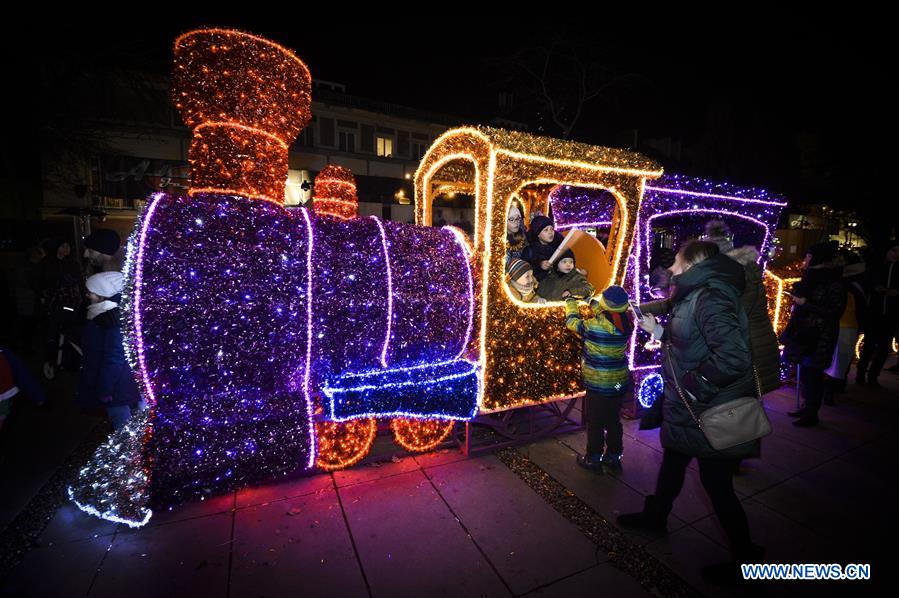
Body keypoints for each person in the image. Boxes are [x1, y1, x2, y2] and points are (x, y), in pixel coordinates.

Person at [618, 240, 763, 584]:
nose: (672, 266)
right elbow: (691, 336)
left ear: (693, 264)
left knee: (717, 485)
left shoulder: (712, 296)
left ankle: (747, 561)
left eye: (678, 259)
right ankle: (656, 517)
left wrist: (694, 386)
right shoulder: (694, 291)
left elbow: (733, 357)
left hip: (711, 408)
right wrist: (659, 331)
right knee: (672, 463)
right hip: (689, 406)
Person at [702, 221, 781, 395]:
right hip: (749, 345)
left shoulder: (740, 274)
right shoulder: (738, 270)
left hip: (751, 347)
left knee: (745, 406)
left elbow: (737, 312)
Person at [565, 285, 633, 472]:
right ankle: (614, 457)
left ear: (604, 304)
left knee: (595, 422)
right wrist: (590, 301)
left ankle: (593, 458)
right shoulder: (627, 321)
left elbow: (572, 323)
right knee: (613, 420)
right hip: (618, 383)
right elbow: (606, 313)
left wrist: (570, 302)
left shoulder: (592, 326)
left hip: (598, 384)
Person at [781, 241, 845, 426]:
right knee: (804, 372)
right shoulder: (811, 276)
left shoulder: (833, 281)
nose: (805, 259)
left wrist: (804, 304)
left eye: (809, 256)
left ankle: (812, 412)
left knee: (813, 374)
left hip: (819, 335)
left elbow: (835, 310)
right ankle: (806, 406)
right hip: (804, 331)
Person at [77, 272, 141, 430]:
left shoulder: (111, 321)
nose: (87, 295)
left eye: (90, 292)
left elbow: (114, 359)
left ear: (102, 294)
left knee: (124, 429)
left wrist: (105, 389)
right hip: (114, 385)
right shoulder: (100, 315)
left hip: (116, 389)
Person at [823, 251, 866, 400]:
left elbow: (860, 304)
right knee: (838, 359)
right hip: (842, 323)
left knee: (838, 358)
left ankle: (832, 389)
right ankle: (833, 388)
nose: (838, 262)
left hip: (846, 323)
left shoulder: (851, 282)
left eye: (842, 260)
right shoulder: (845, 280)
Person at [856, 242, 899, 387]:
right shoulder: (877, 267)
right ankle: (861, 374)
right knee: (869, 345)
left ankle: (873, 376)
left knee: (883, 347)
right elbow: (867, 284)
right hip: (874, 313)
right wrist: (876, 289)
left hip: (891, 315)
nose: (895, 254)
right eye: (893, 250)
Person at [522, 215, 564, 281]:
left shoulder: (558, 247)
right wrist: (540, 265)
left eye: (552, 229)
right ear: (538, 234)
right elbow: (524, 270)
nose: (550, 232)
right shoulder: (530, 251)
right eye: (546, 230)